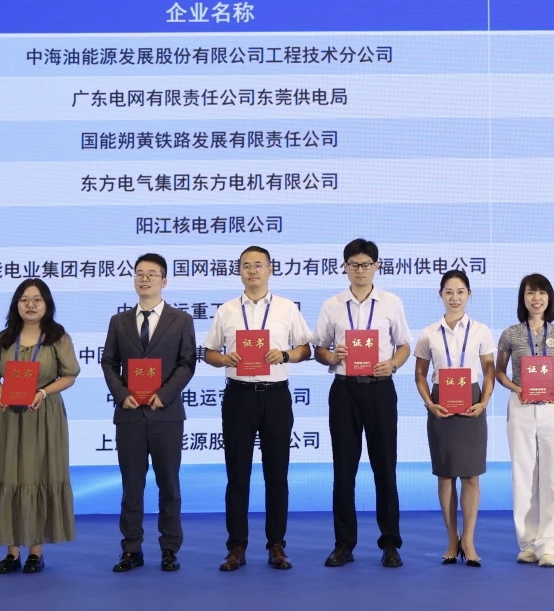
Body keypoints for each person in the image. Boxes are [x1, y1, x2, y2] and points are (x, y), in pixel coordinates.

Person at [203, 246, 313, 572]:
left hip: (275, 396)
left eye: (258, 265)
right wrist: (224, 359)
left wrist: (286, 355)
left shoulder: (286, 308)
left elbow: (305, 348)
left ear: (270, 269)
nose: (252, 271)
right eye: (246, 266)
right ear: (239, 271)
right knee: (237, 475)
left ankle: (276, 544)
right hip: (238, 397)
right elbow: (209, 352)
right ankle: (236, 546)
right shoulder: (226, 310)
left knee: (277, 474)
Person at [313, 238, 412, 568]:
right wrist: (332, 355)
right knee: (344, 470)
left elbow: (404, 345)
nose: (360, 270)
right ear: (344, 267)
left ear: (376, 266)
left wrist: (392, 365)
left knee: (385, 468)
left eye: (366, 264)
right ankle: (344, 544)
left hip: (380, 389)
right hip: (344, 391)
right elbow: (319, 349)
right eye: (353, 264)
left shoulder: (391, 303)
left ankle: (390, 543)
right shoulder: (332, 305)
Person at [0, 278, 79, 574]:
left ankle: (35, 552)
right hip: (8, 415)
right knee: (9, 475)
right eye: (24, 299)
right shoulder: (6, 338)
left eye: (37, 299)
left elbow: (69, 375)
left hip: (43, 414)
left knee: (38, 474)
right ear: (16, 304)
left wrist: (43, 392)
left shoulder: (57, 337)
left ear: (47, 304)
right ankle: (11, 552)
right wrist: (1, 393)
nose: (30, 305)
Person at [100, 252, 197, 573]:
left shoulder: (181, 320)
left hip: (166, 415)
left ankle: (170, 548)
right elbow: (108, 362)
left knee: (169, 484)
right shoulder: (119, 322)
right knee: (132, 485)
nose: (144, 279)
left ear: (164, 281)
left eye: (151, 274)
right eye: (139, 273)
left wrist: (164, 395)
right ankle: (131, 549)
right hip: (130, 414)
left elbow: (187, 363)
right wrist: (122, 394)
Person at [414, 270, 497, 567]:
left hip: (472, 403)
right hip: (441, 404)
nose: (454, 297)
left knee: (471, 475)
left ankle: (469, 540)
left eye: (460, 291)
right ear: (440, 295)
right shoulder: (429, 333)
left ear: (469, 294)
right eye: (449, 292)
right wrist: (429, 404)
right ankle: (452, 539)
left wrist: (483, 402)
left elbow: (489, 371)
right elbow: (420, 374)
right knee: (446, 474)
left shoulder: (481, 330)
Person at [495, 273, 554, 568]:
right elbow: (499, 372)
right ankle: (528, 543)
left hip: (552, 407)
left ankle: (551, 545)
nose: (536, 298)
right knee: (523, 474)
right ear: (523, 298)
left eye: (541, 293)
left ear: (549, 298)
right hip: (521, 407)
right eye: (530, 293)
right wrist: (515, 387)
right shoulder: (511, 334)